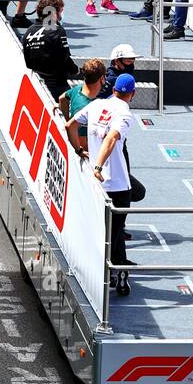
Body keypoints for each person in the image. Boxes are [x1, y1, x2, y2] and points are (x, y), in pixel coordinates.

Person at [72, 74, 138, 295]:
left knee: (104, 232)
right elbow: (111, 138)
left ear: (113, 90)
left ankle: (112, 271)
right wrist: (99, 166)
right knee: (115, 233)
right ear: (133, 94)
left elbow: (70, 124)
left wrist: (80, 150)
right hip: (117, 185)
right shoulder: (124, 113)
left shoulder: (97, 104)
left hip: (96, 185)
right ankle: (118, 272)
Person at [22, 0, 78, 101]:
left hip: (35, 83)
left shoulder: (28, 31)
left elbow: (28, 60)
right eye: (60, 11)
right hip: (57, 85)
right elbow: (64, 57)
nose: (61, 15)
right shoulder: (57, 30)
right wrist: (75, 70)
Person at [60, 58, 106, 160]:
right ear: (102, 78)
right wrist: (80, 150)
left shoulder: (78, 89)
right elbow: (78, 136)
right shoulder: (87, 108)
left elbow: (62, 99)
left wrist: (67, 118)